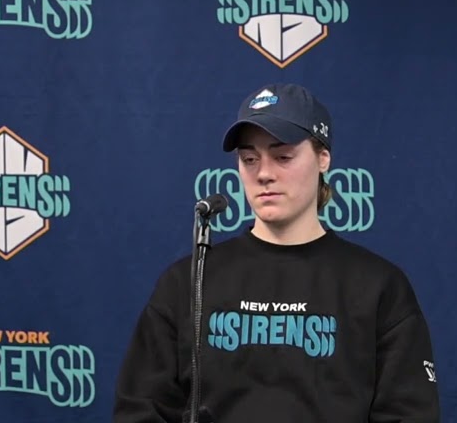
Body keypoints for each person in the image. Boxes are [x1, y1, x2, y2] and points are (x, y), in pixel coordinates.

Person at [113, 82, 440, 423]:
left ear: (323, 158)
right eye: (249, 159)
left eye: (283, 156)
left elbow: (409, 413)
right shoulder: (189, 282)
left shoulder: (378, 286)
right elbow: (140, 410)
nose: (264, 174)